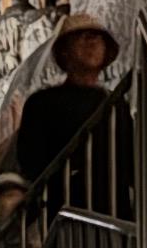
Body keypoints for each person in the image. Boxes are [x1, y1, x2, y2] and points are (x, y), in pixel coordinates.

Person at [7, 12, 117, 192]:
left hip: (109, 201)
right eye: (82, 37)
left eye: (97, 38)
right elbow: (31, 162)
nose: (91, 42)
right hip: (62, 201)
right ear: (65, 51)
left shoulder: (115, 103)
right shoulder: (41, 104)